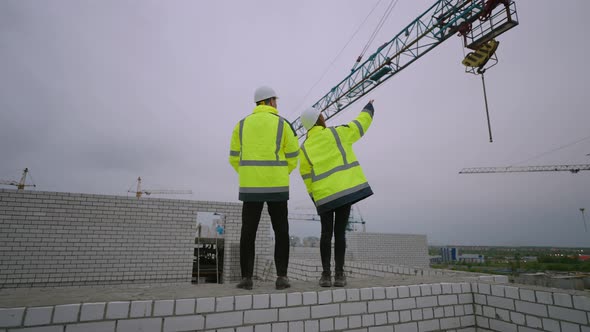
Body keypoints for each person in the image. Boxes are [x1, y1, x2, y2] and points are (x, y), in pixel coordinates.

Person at [229, 86, 299, 290]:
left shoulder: (241, 125)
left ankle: (246, 279)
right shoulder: (283, 124)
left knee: (248, 232)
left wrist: (248, 174)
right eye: (275, 100)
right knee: (281, 231)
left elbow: (234, 157)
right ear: (269, 102)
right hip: (277, 185)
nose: (277, 103)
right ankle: (282, 277)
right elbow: (294, 155)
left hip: (250, 187)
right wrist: (281, 173)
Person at [298, 100, 375, 287]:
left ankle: (325, 276)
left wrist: (314, 196)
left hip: (324, 197)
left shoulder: (304, 148)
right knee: (340, 233)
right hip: (344, 193)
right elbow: (360, 124)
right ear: (319, 119)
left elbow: (306, 175)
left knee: (326, 234)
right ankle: (339, 276)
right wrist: (369, 108)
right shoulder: (336, 132)